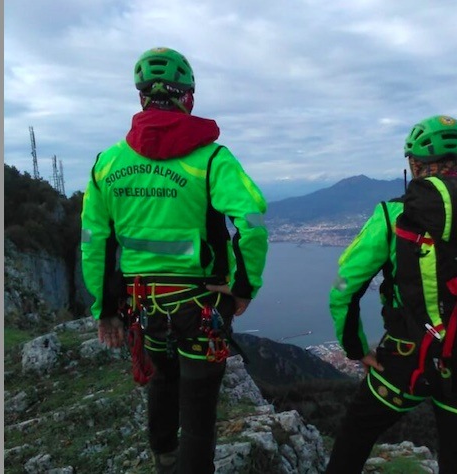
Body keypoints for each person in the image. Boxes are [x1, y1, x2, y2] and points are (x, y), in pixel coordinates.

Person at [80, 46, 269, 474]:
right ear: (189, 98)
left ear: (142, 99)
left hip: (143, 308)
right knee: (198, 414)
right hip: (199, 305)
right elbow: (253, 223)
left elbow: (95, 241)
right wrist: (243, 285)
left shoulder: (107, 164)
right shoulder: (212, 159)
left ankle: (165, 461)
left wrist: (105, 309)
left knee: (162, 384)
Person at [326, 115, 457, 474]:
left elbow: (344, 287)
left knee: (356, 434)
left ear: (413, 163)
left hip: (406, 358)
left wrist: (355, 347)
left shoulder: (394, 214)